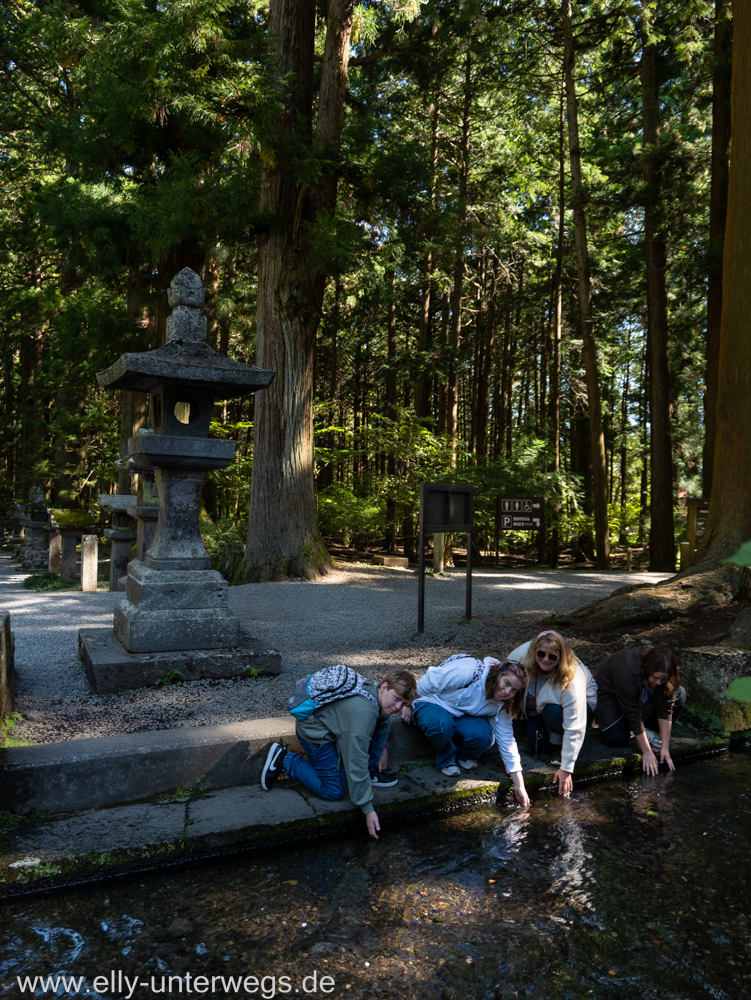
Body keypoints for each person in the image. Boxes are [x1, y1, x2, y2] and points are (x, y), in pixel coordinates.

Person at [261, 668, 417, 839]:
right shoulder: (363, 714)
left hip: (332, 722)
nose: (397, 707)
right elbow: (355, 760)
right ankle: (285, 759)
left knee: (385, 718)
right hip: (315, 732)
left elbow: (379, 722)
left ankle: (370, 771)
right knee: (334, 791)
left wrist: (383, 748)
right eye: (397, 699)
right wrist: (367, 808)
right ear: (384, 686)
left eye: (404, 704)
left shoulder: (375, 691)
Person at [405, 653, 531, 808]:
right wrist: (407, 703)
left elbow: (506, 740)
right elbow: (429, 681)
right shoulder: (470, 671)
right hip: (433, 702)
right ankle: (447, 759)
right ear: (498, 674)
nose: (507, 692)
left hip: (461, 715)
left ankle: (464, 755)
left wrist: (519, 784)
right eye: (506, 683)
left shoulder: (502, 704)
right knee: (440, 724)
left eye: (513, 690)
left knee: (483, 736)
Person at [508, 630, 597, 797]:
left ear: (560, 657)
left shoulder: (572, 679)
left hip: (574, 708)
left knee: (554, 712)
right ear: (534, 651)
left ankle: (559, 744)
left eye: (552, 657)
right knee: (537, 748)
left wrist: (567, 768)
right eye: (541, 654)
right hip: (539, 706)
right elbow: (504, 682)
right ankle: (546, 734)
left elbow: (575, 725)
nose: (545, 660)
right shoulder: (520, 657)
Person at [594, 643, 686, 775]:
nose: (658, 682)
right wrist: (647, 752)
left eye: (663, 679)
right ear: (647, 669)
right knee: (616, 738)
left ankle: (646, 730)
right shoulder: (626, 671)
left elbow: (666, 710)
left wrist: (665, 748)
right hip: (608, 694)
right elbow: (633, 715)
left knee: (680, 694)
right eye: (655, 677)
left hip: (640, 693)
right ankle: (631, 729)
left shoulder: (664, 675)